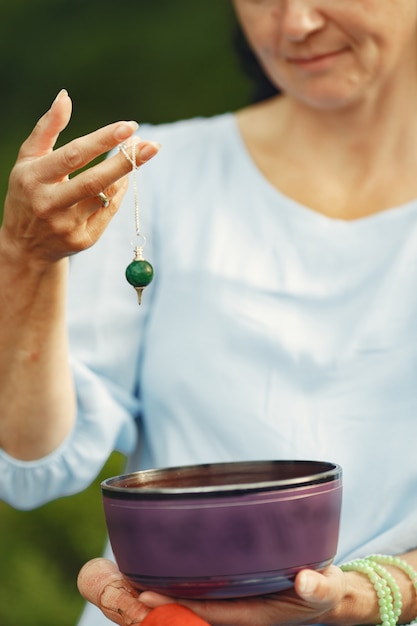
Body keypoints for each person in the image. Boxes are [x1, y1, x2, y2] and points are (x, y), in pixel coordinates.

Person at [2, 0, 417, 624]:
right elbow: (33, 467)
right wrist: (26, 261)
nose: (295, 24)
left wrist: (374, 595)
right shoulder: (154, 176)